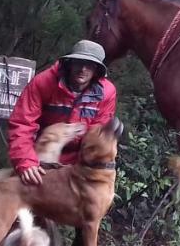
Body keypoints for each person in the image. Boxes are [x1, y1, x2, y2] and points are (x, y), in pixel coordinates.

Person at [7, 40, 117, 186]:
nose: (83, 69)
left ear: (97, 69)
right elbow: (22, 123)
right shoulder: (44, 82)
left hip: (78, 161)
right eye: (79, 62)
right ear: (70, 62)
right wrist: (25, 161)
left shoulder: (107, 93)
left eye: (89, 65)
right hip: (40, 155)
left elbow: (96, 136)